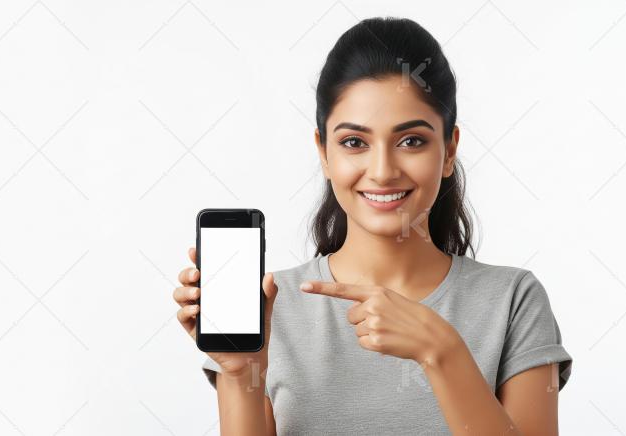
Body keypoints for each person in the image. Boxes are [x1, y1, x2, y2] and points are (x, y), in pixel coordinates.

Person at [173, 16, 572, 435]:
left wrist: (441, 350)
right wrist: (241, 375)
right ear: (324, 152)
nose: (382, 171)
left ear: (450, 149)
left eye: (411, 141)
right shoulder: (271, 306)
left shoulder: (513, 301)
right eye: (354, 143)